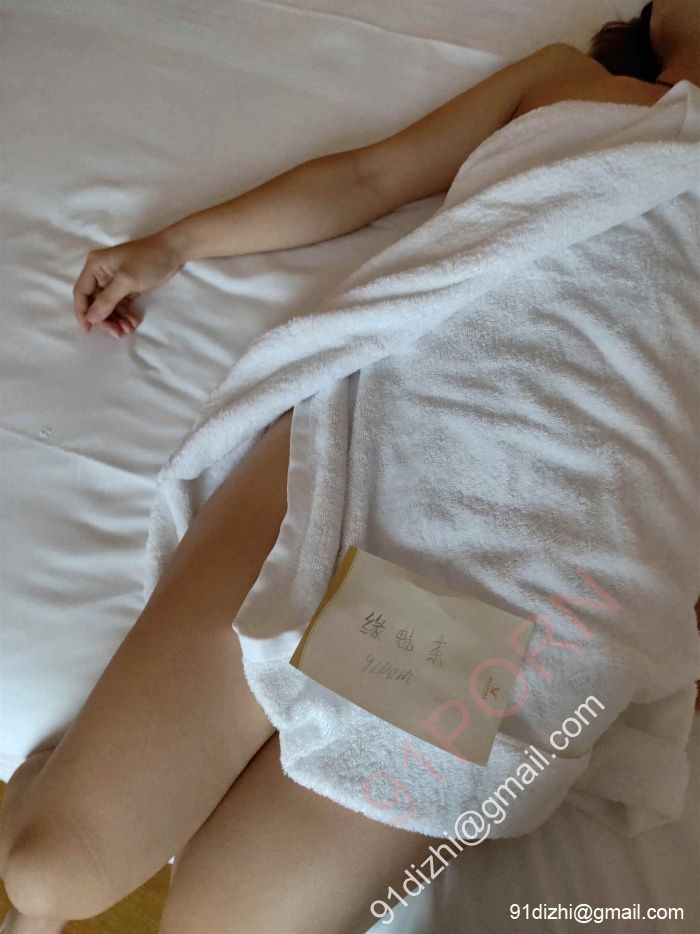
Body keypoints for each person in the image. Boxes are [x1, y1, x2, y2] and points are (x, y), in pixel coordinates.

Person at [1, 2, 698, 932]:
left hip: (548, 552)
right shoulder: (565, 82)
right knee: (52, 877)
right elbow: (373, 176)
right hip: (390, 438)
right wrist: (175, 244)